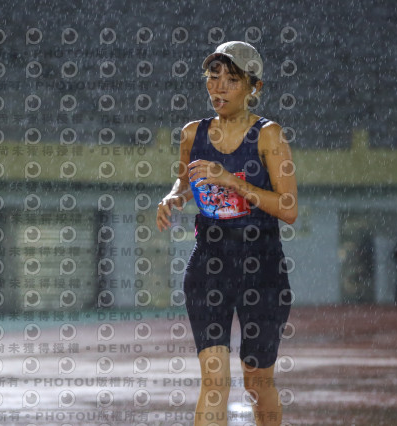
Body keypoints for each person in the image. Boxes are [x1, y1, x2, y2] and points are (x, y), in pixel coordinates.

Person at [156, 41, 298, 426]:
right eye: (213, 76)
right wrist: (173, 196)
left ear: (255, 87)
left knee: (257, 382)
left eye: (232, 80)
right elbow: (185, 179)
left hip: (263, 269)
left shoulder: (269, 136)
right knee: (214, 382)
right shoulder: (193, 133)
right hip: (209, 263)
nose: (218, 87)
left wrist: (232, 181)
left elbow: (289, 209)